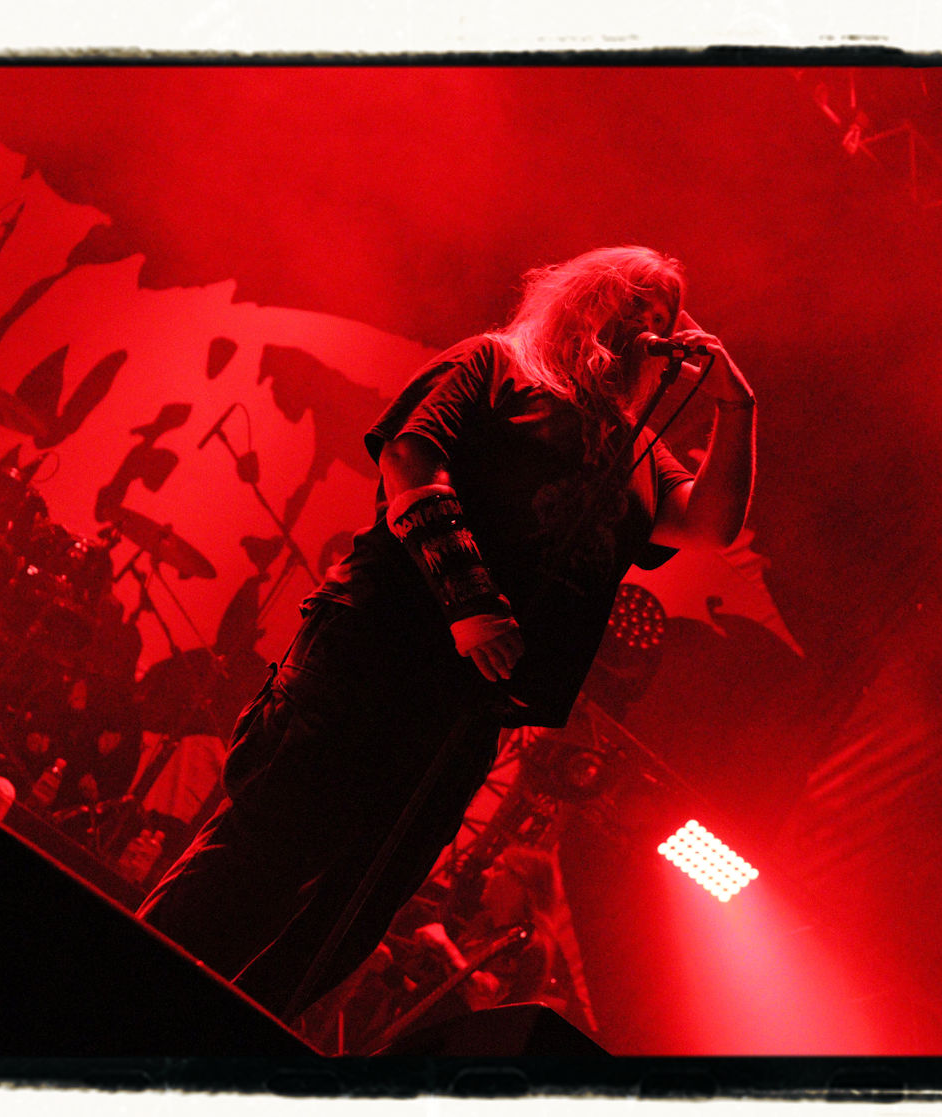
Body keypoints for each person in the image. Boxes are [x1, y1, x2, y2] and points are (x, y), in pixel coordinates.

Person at [137, 245, 756, 1023]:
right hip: (372, 657)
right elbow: (409, 457)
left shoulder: (637, 452)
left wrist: (737, 408)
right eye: (637, 305)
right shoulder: (495, 365)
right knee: (266, 850)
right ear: (588, 301)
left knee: (356, 908)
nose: (650, 329)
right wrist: (469, 599)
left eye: (663, 317)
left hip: (468, 709)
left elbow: (709, 524)